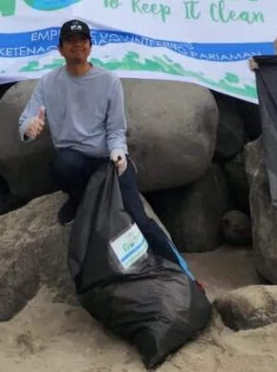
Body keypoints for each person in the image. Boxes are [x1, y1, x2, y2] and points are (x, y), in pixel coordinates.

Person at [18, 19, 180, 265]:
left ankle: (176, 267)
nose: (77, 46)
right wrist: (30, 129)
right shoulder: (48, 82)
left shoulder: (109, 81)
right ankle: (78, 202)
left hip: (107, 160)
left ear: (90, 46)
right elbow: (26, 122)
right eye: (70, 41)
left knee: (136, 215)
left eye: (82, 40)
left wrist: (118, 152)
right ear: (60, 49)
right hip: (74, 159)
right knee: (64, 164)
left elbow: (116, 128)